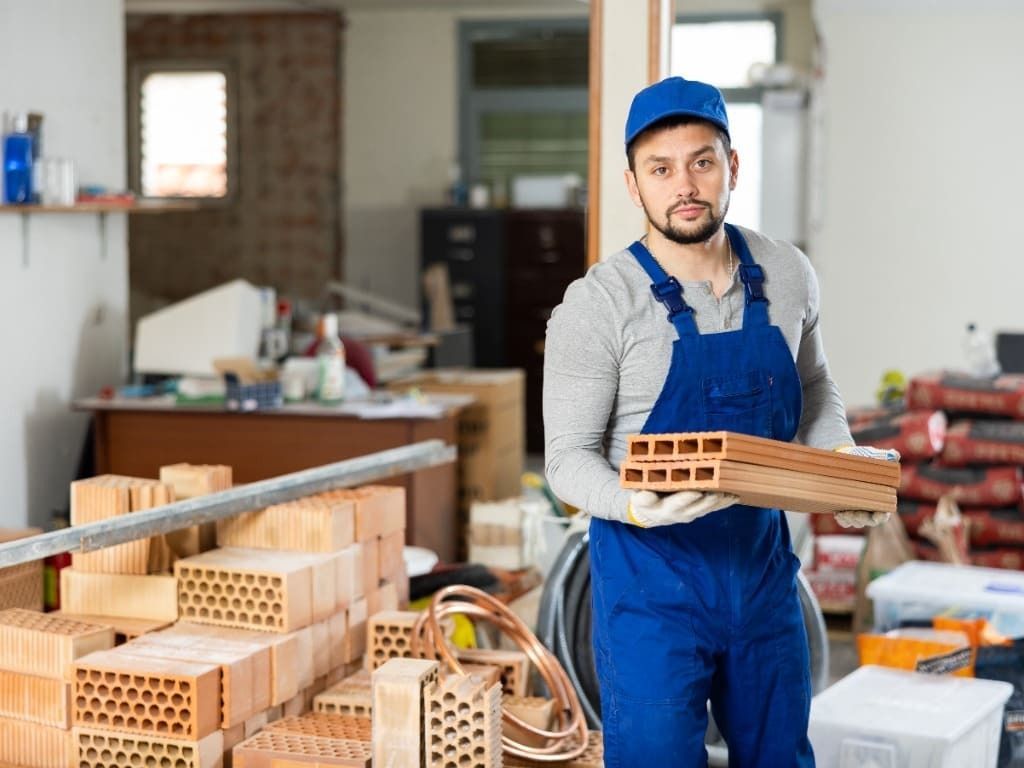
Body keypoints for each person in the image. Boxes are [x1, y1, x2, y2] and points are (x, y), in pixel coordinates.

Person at [543, 75, 898, 767]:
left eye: (701, 161)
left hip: (762, 579)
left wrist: (841, 471)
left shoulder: (788, 273)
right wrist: (634, 505)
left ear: (731, 166)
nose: (684, 183)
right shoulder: (597, 305)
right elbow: (567, 457)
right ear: (632, 183)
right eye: (661, 168)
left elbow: (814, 383)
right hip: (651, 595)